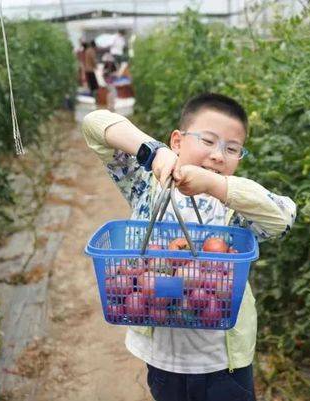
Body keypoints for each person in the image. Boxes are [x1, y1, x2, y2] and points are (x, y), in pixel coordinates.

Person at [81, 93, 296, 401]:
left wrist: (214, 186)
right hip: (163, 360)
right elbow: (94, 124)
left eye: (232, 149)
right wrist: (153, 153)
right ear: (178, 141)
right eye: (208, 141)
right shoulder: (145, 186)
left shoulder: (235, 208)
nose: (219, 155)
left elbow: (283, 216)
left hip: (222, 364)